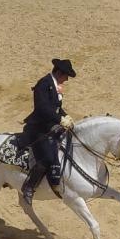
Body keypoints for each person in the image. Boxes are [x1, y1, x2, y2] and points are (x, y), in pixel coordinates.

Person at [19, 59, 76, 205]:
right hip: (38, 128)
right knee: (48, 158)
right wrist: (59, 119)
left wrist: (65, 116)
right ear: (59, 73)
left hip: (50, 126)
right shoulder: (43, 84)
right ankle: (29, 187)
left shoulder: (54, 85)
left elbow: (56, 107)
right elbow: (42, 109)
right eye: (66, 76)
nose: (67, 79)